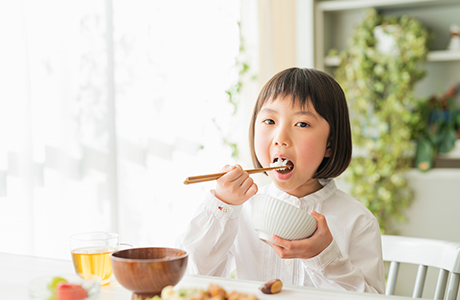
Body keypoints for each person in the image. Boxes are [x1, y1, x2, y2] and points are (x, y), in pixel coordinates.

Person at [177, 67, 385, 294]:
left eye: (302, 124)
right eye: (269, 121)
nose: (280, 139)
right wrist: (221, 206)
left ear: (330, 145)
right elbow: (188, 278)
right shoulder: (241, 210)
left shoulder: (358, 221)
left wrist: (324, 256)